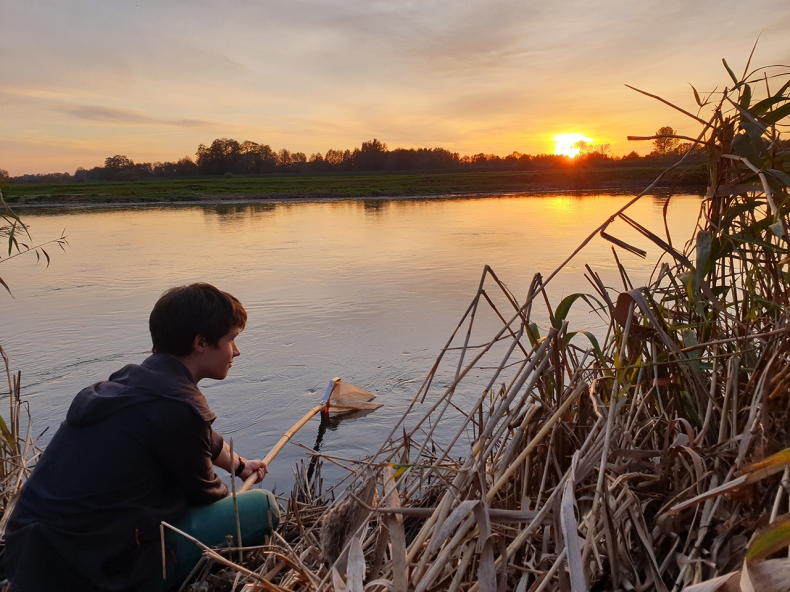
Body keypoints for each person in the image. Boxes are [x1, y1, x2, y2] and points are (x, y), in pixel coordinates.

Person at [4, 283, 279, 591]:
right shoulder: (181, 409)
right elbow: (209, 498)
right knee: (262, 507)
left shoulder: (129, 383)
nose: (237, 351)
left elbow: (200, 436)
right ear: (201, 342)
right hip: (92, 574)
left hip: (31, 556)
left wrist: (241, 466)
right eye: (232, 340)